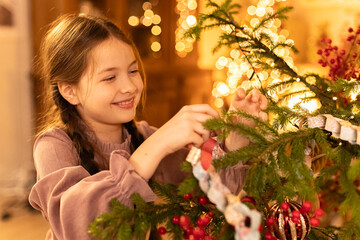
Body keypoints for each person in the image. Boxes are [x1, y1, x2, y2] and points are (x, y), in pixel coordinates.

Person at [28, 14, 268, 240]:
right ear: (69, 90)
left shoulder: (142, 135)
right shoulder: (53, 145)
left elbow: (215, 187)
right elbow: (76, 227)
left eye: (133, 71)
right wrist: (153, 148)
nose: (130, 87)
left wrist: (237, 136)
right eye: (110, 78)